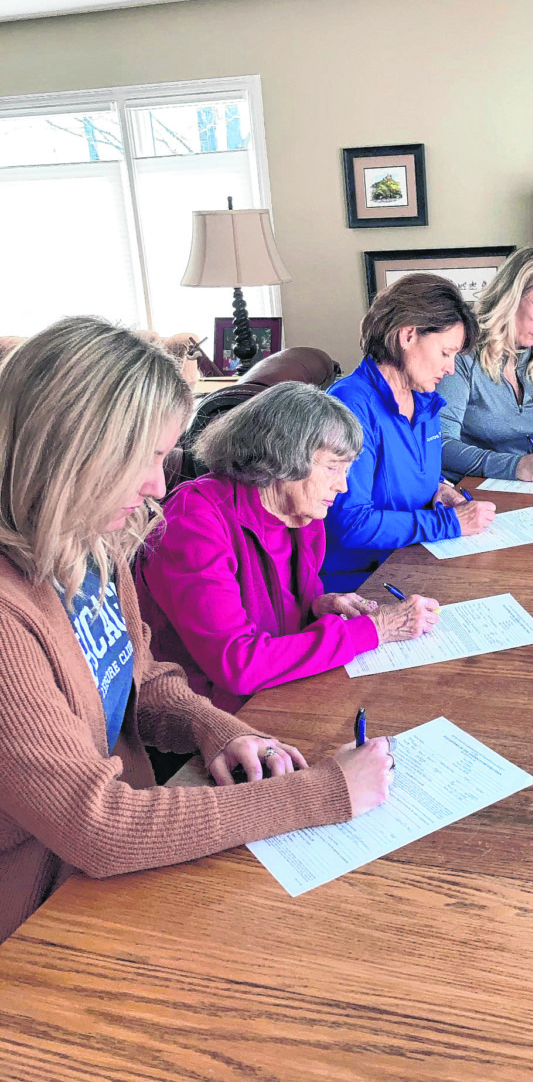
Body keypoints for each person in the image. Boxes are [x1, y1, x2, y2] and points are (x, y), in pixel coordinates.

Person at [0, 317, 394, 944]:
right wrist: (323, 792)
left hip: (131, 856)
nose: (158, 485)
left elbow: (145, 679)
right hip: (44, 913)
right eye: (145, 457)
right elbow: (98, 827)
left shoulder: (91, 543)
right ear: (69, 449)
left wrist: (215, 729)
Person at [136, 381, 438, 714]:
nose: (343, 486)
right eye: (333, 468)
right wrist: (375, 629)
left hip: (277, 695)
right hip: (210, 719)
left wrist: (316, 608)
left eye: (347, 470)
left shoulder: (301, 515)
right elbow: (238, 665)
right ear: (284, 454)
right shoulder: (194, 522)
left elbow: (275, 624)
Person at [322, 274, 497, 591]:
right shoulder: (350, 405)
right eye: (445, 353)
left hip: (413, 558)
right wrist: (449, 523)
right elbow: (351, 524)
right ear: (407, 335)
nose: (451, 369)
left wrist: (439, 489)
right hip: (361, 580)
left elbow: (404, 474)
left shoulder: (425, 400)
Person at [437, 246, 533, 481]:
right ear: (510, 298)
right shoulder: (462, 354)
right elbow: (441, 445)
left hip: (528, 491)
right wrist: (515, 466)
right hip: (466, 491)